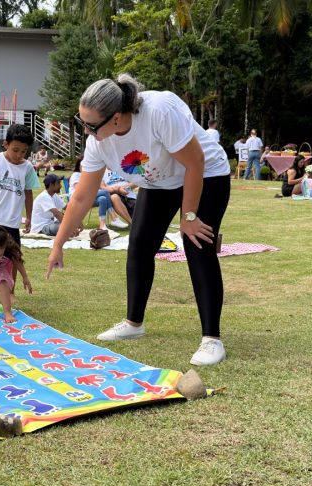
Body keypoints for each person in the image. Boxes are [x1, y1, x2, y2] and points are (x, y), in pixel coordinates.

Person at [47, 74, 231, 366]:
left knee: (196, 243)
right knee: (140, 244)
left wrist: (190, 216)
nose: (86, 132)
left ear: (117, 118)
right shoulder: (99, 142)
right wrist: (58, 243)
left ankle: (212, 339)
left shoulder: (159, 112)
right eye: (81, 122)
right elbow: (81, 197)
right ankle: (134, 323)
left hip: (206, 174)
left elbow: (195, 162)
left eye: (91, 125)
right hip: (160, 182)